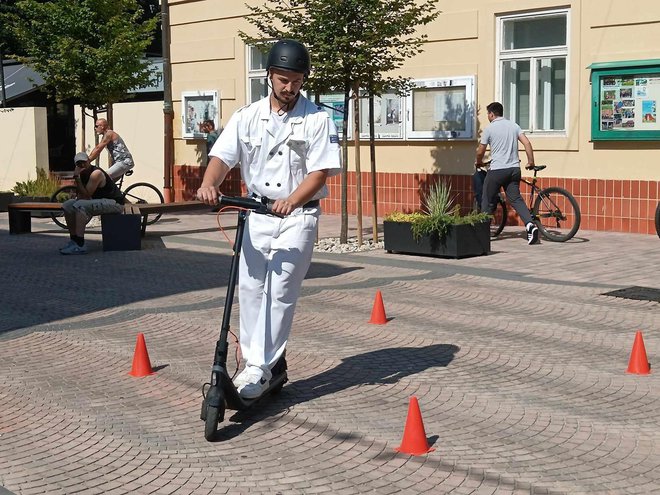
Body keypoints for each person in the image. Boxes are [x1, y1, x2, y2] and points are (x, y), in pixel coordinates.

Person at [196, 39, 341, 399]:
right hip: (256, 215)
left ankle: (259, 369)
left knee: (279, 292)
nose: (289, 87)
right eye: (283, 79)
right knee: (249, 289)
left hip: (297, 217)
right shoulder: (247, 116)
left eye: (296, 80)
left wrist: (291, 200)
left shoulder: (317, 119)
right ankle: (257, 364)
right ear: (270, 76)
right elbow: (222, 156)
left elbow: (320, 173)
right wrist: (208, 183)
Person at [475, 101, 539, 245]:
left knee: (487, 198)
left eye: (488, 114)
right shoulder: (514, 126)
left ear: (492, 114)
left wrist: (478, 161)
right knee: (516, 200)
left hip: (497, 170)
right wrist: (530, 161)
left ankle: (481, 234)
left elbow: (481, 150)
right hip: (514, 170)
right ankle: (530, 225)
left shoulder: (489, 129)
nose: (488, 117)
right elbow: (527, 143)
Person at [59, 152, 125, 255]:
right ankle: (74, 241)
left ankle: (80, 245)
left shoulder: (96, 173)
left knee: (79, 206)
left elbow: (85, 196)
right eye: (79, 164)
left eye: (84, 162)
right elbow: (81, 196)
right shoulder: (82, 175)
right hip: (102, 201)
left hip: (115, 204)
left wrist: (77, 178)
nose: (82, 165)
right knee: (67, 205)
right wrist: (78, 179)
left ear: (89, 161)